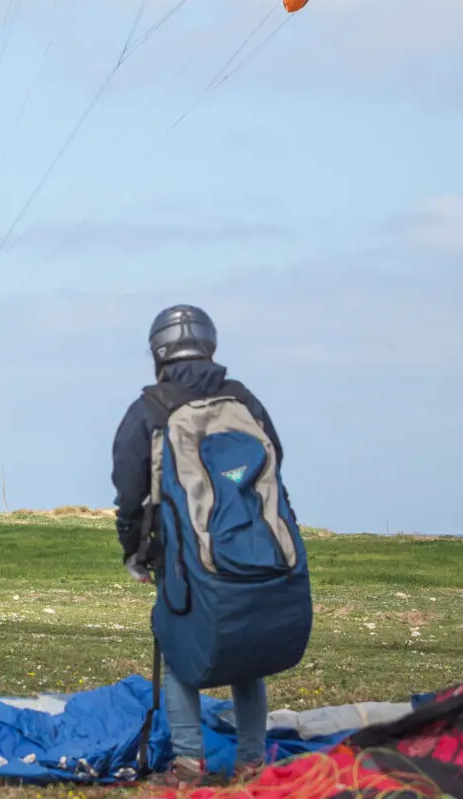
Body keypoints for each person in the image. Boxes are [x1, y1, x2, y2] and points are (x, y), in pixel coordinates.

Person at [113, 305, 284, 787]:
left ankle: (188, 765)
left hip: (182, 554)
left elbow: (128, 486)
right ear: (208, 344)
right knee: (246, 654)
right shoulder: (245, 401)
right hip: (251, 547)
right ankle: (253, 763)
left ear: (159, 352)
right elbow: (275, 461)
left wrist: (134, 549)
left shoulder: (149, 409)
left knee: (179, 650)